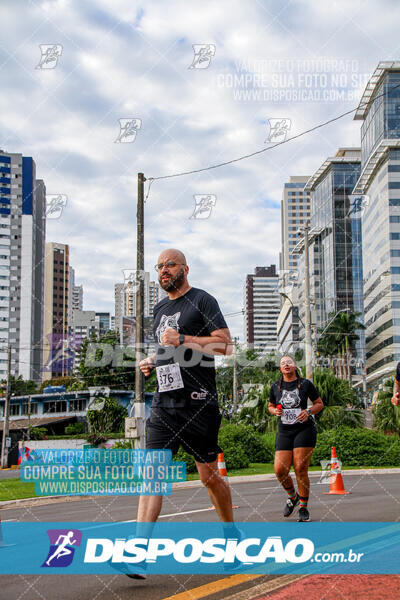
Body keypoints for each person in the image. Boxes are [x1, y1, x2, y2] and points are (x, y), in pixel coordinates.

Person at [130, 248, 237, 578]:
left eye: (169, 264)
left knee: (209, 477)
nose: (163, 270)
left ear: (185, 268)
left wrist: (184, 338)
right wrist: (153, 360)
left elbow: (224, 345)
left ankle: (231, 537)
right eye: (159, 266)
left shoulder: (203, 301)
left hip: (199, 403)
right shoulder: (159, 308)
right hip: (164, 404)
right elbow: (168, 348)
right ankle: (137, 554)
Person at [268, 355, 324, 522]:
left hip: (304, 430)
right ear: (280, 368)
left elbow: (319, 403)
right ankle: (293, 496)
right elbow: (270, 406)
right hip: (284, 431)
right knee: (279, 470)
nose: (286, 365)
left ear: (295, 366)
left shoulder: (305, 384)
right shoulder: (275, 387)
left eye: (289, 362)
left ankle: (303, 507)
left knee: (300, 468)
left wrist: (308, 411)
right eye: (283, 363)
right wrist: (274, 411)